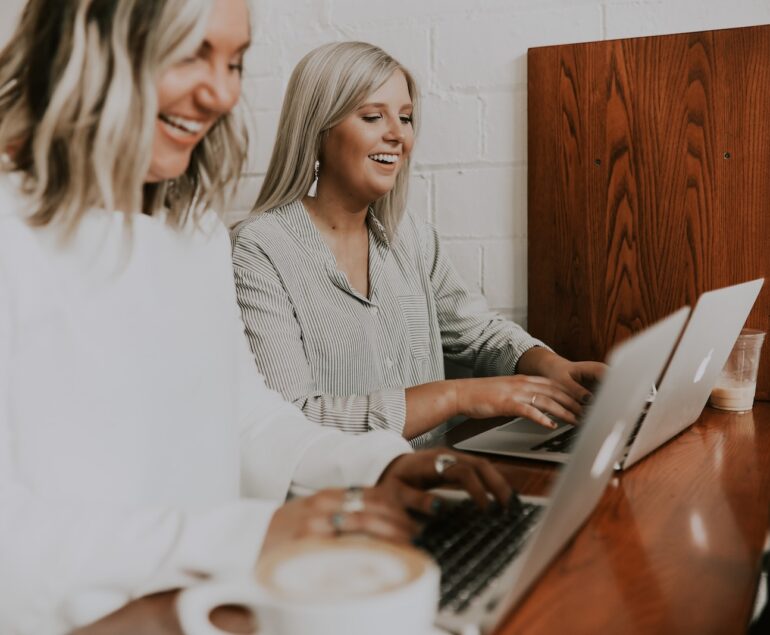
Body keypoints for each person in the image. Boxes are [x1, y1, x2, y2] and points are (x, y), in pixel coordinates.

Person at [0, 4, 510, 633]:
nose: (220, 92)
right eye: (191, 52)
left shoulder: (192, 233)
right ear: (91, 41)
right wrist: (249, 535)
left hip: (208, 606)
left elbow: (249, 417)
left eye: (235, 62)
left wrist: (375, 466)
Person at [230, 41, 605, 441]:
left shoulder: (411, 238)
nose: (398, 135)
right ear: (317, 130)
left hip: (436, 483)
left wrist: (551, 366)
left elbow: (476, 332)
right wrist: (456, 396)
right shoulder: (258, 250)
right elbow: (292, 421)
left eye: (406, 118)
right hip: (343, 496)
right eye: (373, 116)